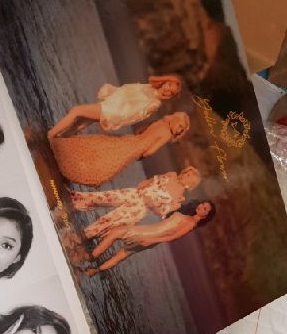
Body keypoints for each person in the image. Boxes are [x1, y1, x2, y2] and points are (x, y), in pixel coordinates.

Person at [47, 111, 190, 188]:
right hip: (135, 149)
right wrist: (142, 156)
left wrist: (139, 139)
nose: (179, 130)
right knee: (108, 165)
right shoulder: (167, 134)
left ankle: (66, 152)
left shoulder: (160, 122)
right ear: (175, 119)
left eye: (182, 130)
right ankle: (77, 171)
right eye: (180, 126)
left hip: (131, 140)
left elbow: (141, 130)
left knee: (101, 148)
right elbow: (151, 151)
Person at [82, 200, 217, 276]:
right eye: (202, 204)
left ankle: (90, 256)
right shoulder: (188, 217)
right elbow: (167, 222)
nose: (201, 206)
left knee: (116, 233)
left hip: (150, 235)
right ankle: (93, 271)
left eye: (205, 208)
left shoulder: (191, 223)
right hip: (150, 235)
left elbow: (173, 237)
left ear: (206, 216)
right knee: (123, 253)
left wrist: (152, 240)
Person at [69, 166, 202, 239]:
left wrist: (151, 204)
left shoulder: (179, 198)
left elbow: (160, 212)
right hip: (135, 193)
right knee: (105, 197)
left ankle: (82, 236)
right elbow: (154, 179)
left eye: (189, 176)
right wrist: (145, 183)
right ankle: (74, 200)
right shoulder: (172, 174)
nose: (185, 175)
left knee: (111, 220)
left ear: (190, 184)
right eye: (187, 172)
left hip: (140, 209)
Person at [48, 75, 182, 135]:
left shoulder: (155, 104)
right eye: (169, 85)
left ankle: (50, 135)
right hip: (111, 103)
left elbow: (132, 116)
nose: (167, 90)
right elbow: (127, 92)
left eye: (171, 92)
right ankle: (61, 139)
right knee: (81, 122)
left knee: (76, 111)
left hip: (111, 111)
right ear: (165, 82)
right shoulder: (150, 87)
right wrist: (112, 92)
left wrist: (112, 119)